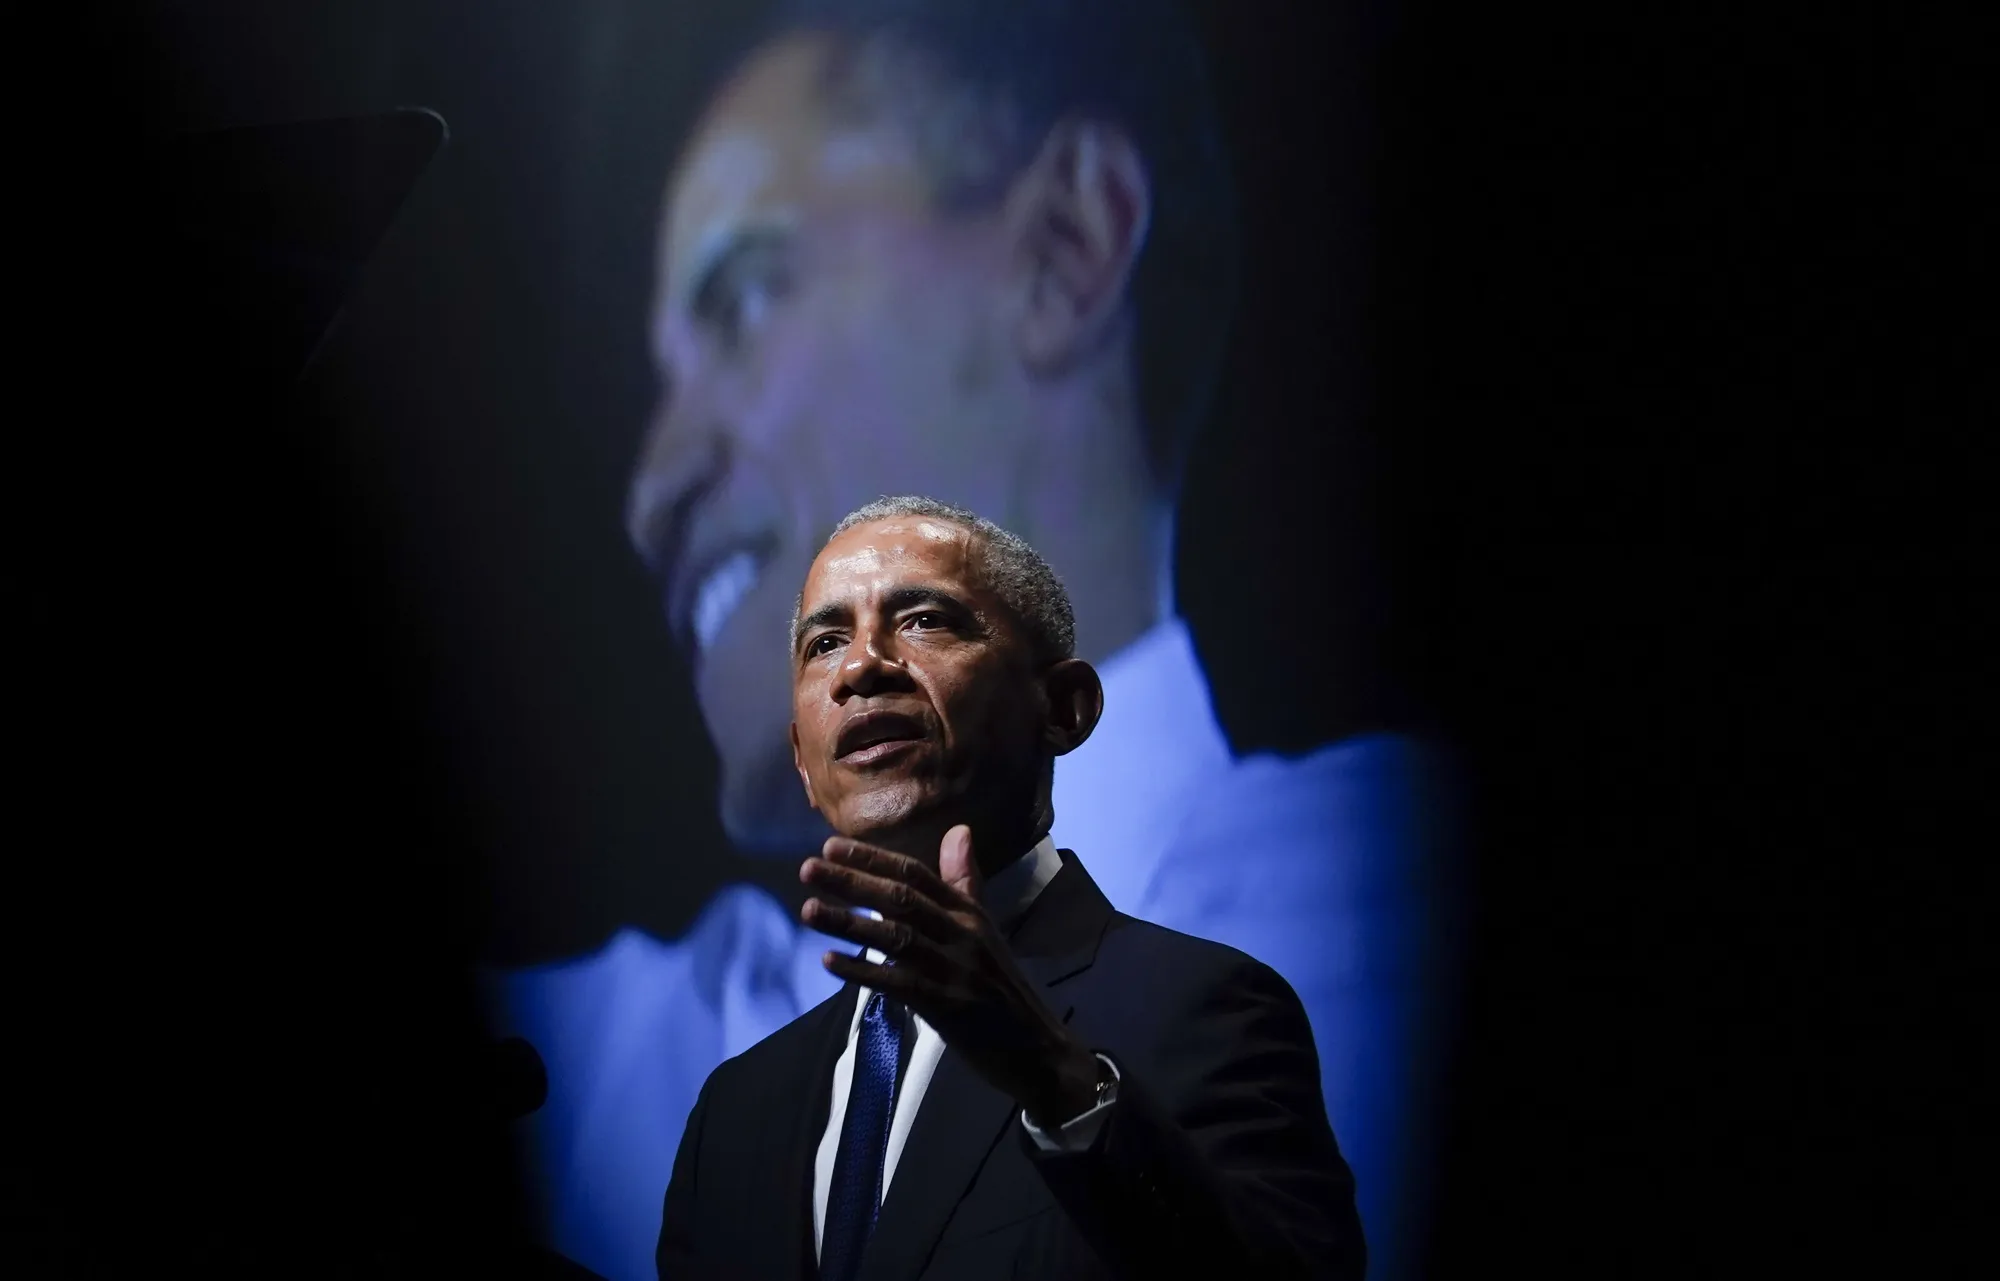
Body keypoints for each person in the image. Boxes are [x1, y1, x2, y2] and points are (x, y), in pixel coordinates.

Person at [489, 4, 1458, 1280]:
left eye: (744, 292)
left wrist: (1057, 1083)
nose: (650, 485)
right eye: (820, 642)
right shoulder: (671, 1093)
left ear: (1066, 245)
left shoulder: (1378, 903)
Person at [658, 497, 1364, 1279]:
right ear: (802, 759)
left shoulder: (1206, 1008)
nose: (860, 667)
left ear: (1063, 708)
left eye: (924, 619)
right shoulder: (733, 1113)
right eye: (825, 641)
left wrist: (1058, 1080)